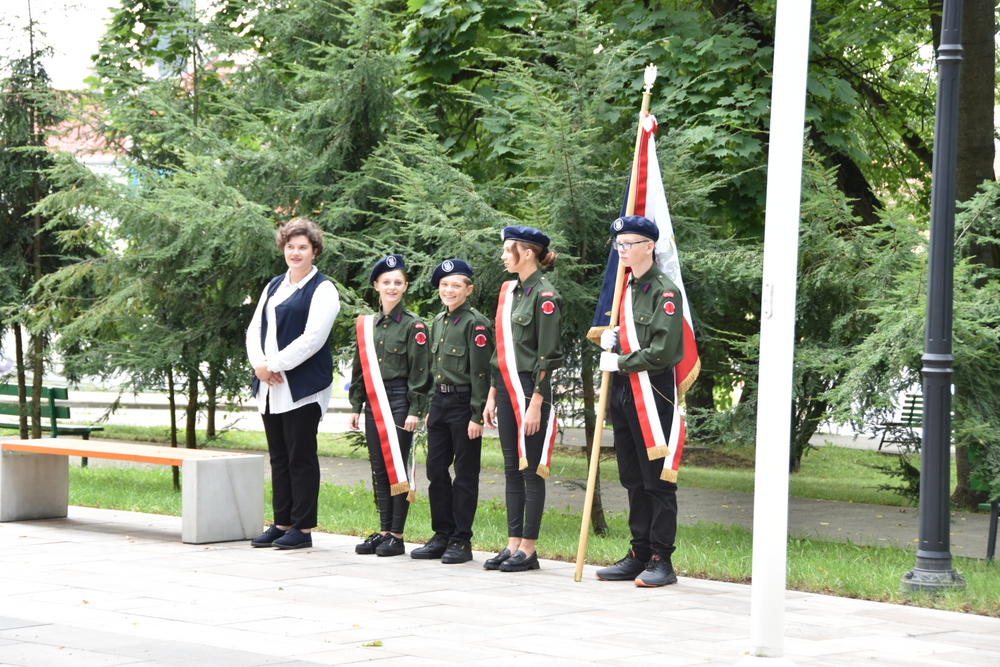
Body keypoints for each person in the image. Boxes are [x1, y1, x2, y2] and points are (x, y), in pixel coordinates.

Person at [594, 215, 684, 587]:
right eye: (619, 245)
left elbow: (663, 351)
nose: (623, 250)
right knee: (632, 477)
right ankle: (639, 552)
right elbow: (616, 330)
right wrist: (608, 338)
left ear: (649, 245)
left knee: (656, 481)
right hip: (622, 392)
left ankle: (662, 559)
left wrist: (621, 360)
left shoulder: (664, 291)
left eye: (629, 244)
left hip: (652, 392)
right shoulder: (622, 288)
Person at [246, 217, 339, 550]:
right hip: (270, 386)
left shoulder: (323, 289)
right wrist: (259, 366)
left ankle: (302, 528)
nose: (296, 253)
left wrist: (273, 364)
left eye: (303, 247)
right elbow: (254, 329)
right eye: (290, 247)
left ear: (315, 251)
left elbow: (312, 339)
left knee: (301, 456)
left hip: (302, 387)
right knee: (279, 457)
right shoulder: (273, 286)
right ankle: (282, 522)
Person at [483, 226, 562, 573]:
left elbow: (549, 355)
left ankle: (528, 549)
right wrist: (491, 394)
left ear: (527, 253)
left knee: (531, 470)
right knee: (512, 468)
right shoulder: (510, 292)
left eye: (508, 250)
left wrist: (536, 402)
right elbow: (501, 351)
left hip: (530, 389)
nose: (503, 256)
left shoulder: (545, 297)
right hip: (504, 387)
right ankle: (512, 543)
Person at [411, 259, 493, 564]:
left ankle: (461, 539)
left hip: (463, 405)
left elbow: (481, 373)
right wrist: (431, 405)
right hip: (440, 405)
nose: (449, 290)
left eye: (456, 285)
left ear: (468, 290)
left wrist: (476, 415)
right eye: (444, 285)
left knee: (465, 474)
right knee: (435, 471)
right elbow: (435, 369)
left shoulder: (476, 323)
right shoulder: (438, 322)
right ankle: (441, 534)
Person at [349, 255, 430, 557]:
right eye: (386, 282)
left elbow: (422, 371)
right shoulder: (366, 325)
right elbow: (360, 370)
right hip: (373, 400)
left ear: (406, 286)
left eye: (398, 282)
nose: (392, 287)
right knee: (379, 468)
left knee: (398, 466)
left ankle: (397, 534)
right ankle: (384, 530)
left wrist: (415, 409)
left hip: (399, 401)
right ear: (376, 286)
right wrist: (356, 405)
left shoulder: (414, 325)